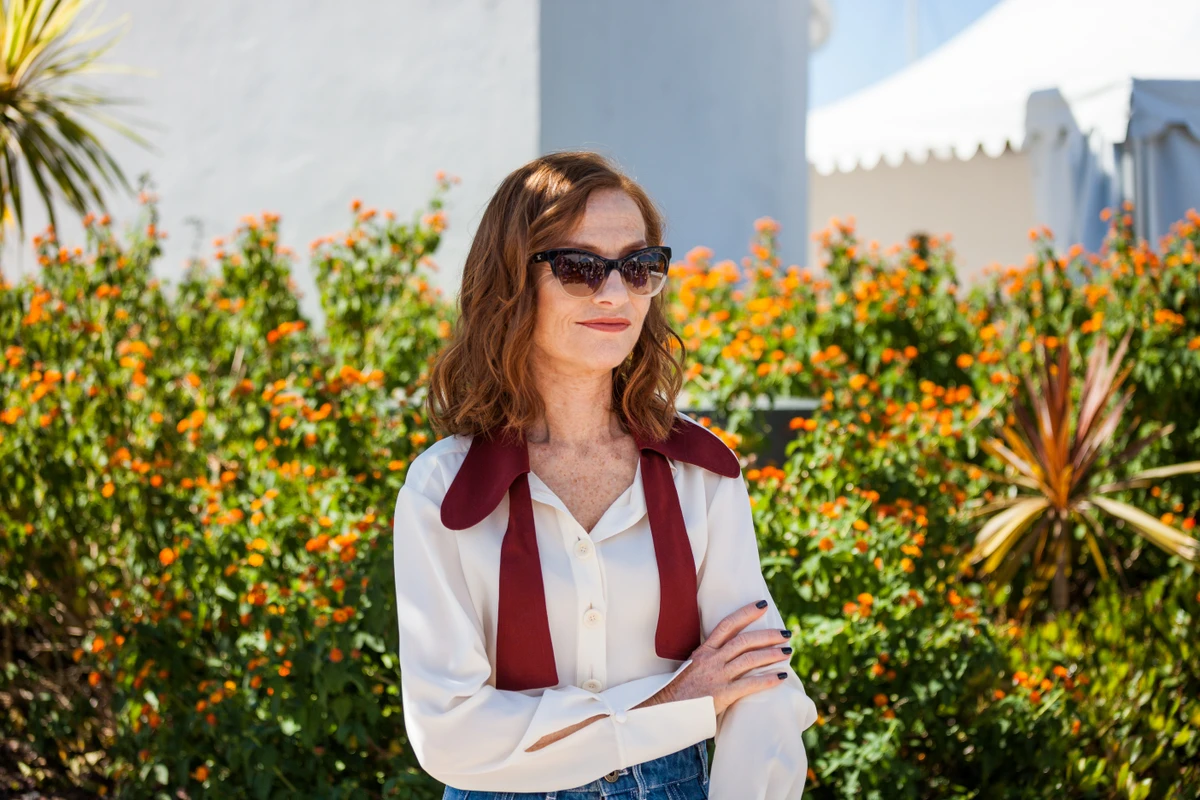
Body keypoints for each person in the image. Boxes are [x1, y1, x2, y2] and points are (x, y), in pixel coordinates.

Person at [392, 151, 818, 799]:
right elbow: (449, 732)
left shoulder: (700, 473)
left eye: (640, 266)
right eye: (579, 267)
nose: (615, 293)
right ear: (510, 281)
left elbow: (760, 685)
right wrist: (670, 704)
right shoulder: (442, 492)